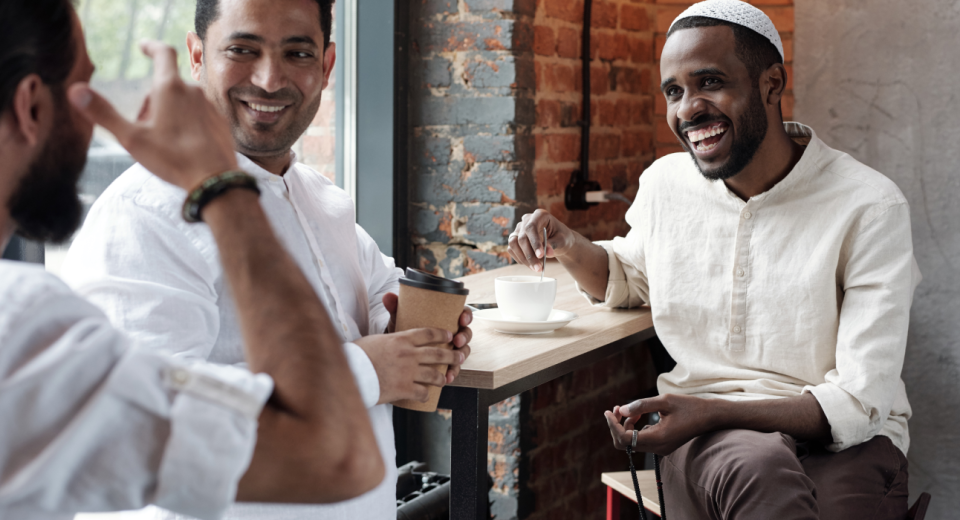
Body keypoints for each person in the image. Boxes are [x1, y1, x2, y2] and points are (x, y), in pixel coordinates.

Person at [0, 0, 438, 517]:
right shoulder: (132, 220)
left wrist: (418, 327)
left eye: (296, 52)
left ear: (326, 66)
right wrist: (368, 367)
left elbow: (379, 287)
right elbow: (138, 468)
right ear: (196, 56)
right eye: (242, 49)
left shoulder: (323, 200)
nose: (270, 80)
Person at [509, 0, 920, 518]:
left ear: (771, 83)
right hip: (719, 444)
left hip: (847, 437)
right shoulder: (666, 184)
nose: (688, 109)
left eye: (709, 82)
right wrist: (567, 243)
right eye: (674, 92)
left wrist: (704, 411)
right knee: (759, 471)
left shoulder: (870, 205)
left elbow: (860, 400)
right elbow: (629, 275)